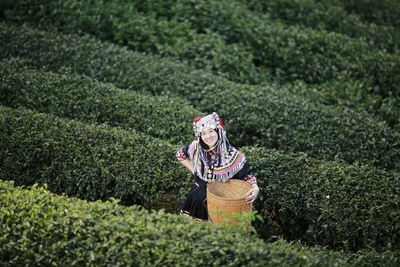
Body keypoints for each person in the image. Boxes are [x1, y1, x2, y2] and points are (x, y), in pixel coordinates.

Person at [176, 112, 259, 221]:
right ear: (200, 136)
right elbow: (180, 155)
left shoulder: (232, 155)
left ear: (218, 132)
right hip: (198, 199)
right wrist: (195, 171)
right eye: (203, 133)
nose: (208, 136)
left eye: (211, 131)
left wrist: (255, 188)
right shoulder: (196, 148)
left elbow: (246, 175)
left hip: (222, 202)